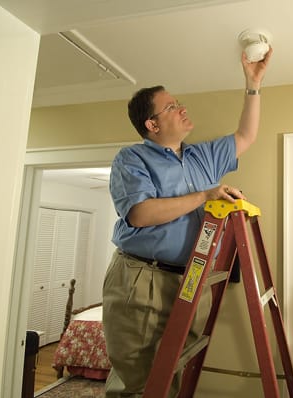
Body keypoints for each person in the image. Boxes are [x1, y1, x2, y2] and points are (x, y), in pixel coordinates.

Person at [102, 48, 273, 398]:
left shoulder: (201, 156)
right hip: (141, 276)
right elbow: (141, 214)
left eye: (178, 103)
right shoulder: (132, 158)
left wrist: (253, 83)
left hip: (191, 277)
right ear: (152, 125)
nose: (182, 108)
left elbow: (246, 136)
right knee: (136, 382)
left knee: (172, 373)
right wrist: (204, 196)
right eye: (170, 107)